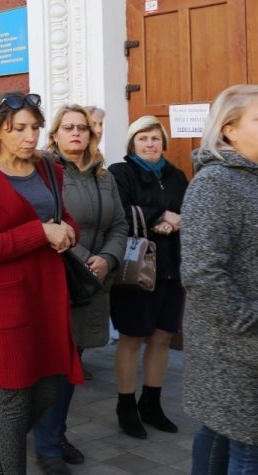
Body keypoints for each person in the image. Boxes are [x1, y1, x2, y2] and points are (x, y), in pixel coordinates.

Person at [0, 92, 82, 475]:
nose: (30, 137)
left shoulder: (48, 170)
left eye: (35, 128)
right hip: (8, 300)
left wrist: (67, 233)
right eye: (20, 129)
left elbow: (65, 218)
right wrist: (40, 233)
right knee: (16, 396)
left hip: (49, 293)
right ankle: (4, 463)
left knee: (49, 387)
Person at [32, 105, 128, 474]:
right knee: (55, 368)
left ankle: (56, 434)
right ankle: (47, 446)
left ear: (91, 134)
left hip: (94, 282)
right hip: (61, 278)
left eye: (82, 128)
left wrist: (108, 258)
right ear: (55, 134)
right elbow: (47, 224)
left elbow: (119, 224)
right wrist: (88, 259)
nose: (76, 133)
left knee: (73, 365)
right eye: (68, 127)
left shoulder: (104, 175)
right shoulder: (44, 172)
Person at [180, 84, 258, 474]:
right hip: (237, 347)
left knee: (220, 432)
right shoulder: (216, 184)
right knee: (254, 448)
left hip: (248, 347)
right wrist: (254, 326)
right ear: (229, 130)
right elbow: (201, 272)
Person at [108, 115, 188, 439]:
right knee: (131, 338)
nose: (150, 144)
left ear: (163, 143)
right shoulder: (120, 172)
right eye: (142, 138)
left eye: (155, 138)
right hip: (136, 270)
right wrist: (159, 217)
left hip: (171, 269)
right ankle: (126, 406)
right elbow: (118, 212)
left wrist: (175, 221)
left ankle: (151, 403)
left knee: (163, 337)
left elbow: (188, 210)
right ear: (132, 144)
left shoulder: (176, 176)